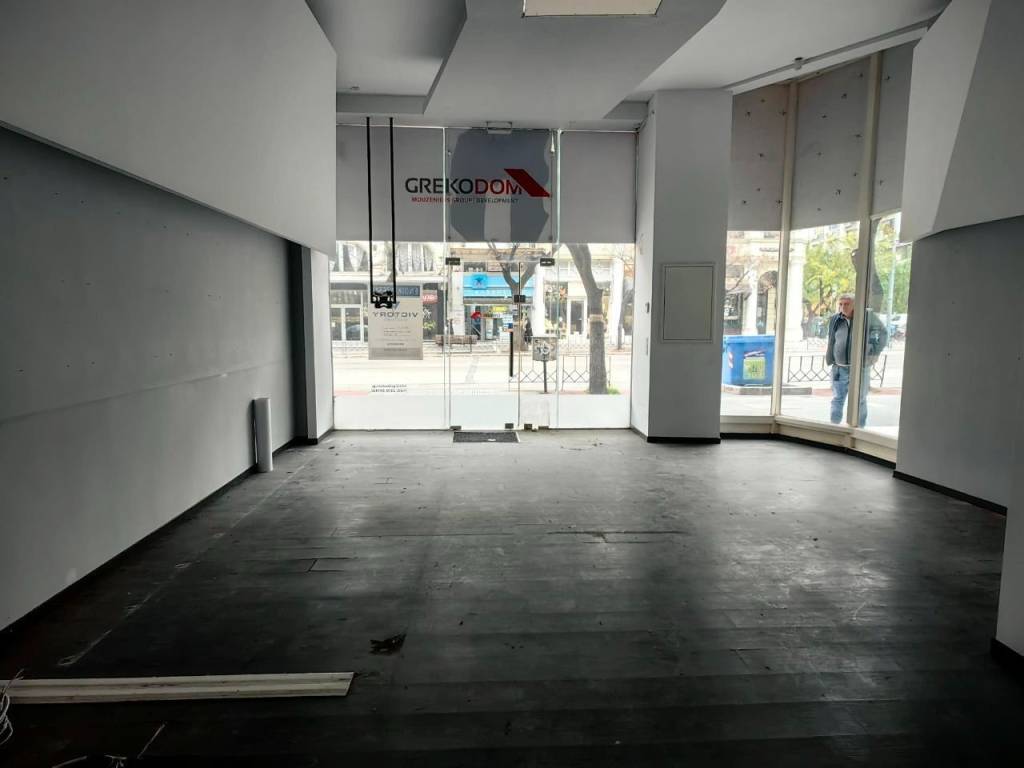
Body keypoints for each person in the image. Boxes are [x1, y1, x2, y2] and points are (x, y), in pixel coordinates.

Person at [825, 293, 888, 426]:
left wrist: (875, 352)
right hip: (839, 368)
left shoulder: (867, 317)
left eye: (847, 304)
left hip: (860, 368)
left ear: (855, 305)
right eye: (841, 304)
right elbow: (832, 339)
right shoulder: (836, 319)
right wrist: (831, 358)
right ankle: (834, 427)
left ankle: (859, 428)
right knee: (837, 399)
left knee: (860, 400)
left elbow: (883, 333)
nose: (843, 307)